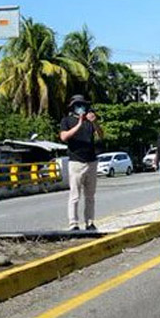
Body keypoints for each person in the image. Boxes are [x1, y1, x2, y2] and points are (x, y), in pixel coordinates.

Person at [59, 94, 103, 231]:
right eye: (78, 105)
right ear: (72, 107)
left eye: (82, 105)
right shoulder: (66, 120)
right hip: (76, 162)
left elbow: (101, 135)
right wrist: (79, 123)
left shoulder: (91, 121)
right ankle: (73, 224)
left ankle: (90, 222)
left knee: (90, 195)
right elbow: (64, 137)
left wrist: (94, 122)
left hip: (91, 161)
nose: (80, 108)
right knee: (75, 195)